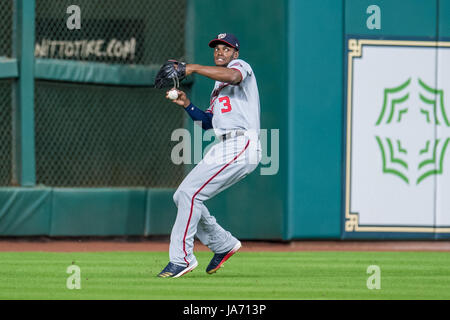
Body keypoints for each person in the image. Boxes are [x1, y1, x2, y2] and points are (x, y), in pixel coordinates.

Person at [157, 33, 262, 278]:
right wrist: (187, 105)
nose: (220, 52)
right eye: (216, 49)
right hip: (225, 143)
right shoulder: (217, 88)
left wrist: (191, 68)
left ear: (235, 53)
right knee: (183, 195)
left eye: (226, 49)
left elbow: (234, 77)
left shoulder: (240, 67)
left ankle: (182, 259)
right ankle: (223, 244)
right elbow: (208, 123)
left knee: (190, 194)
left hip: (242, 142)